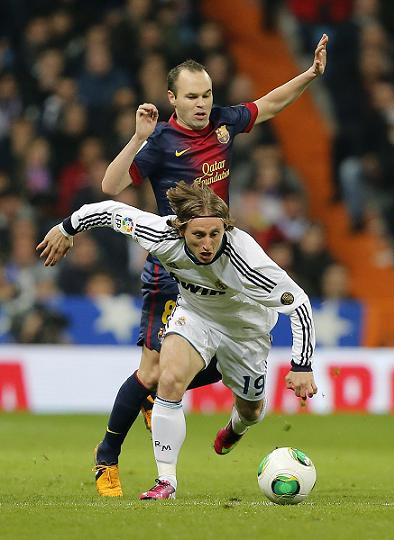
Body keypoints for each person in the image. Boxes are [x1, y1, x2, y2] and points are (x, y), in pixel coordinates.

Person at [64, 35, 327, 497]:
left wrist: (309, 75)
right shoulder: (161, 140)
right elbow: (110, 186)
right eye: (191, 97)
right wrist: (137, 139)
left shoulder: (223, 123)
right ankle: (108, 457)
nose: (203, 104)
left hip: (222, 263)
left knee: (231, 377)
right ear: (172, 99)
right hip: (175, 265)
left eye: (206, 95)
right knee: (152, 373)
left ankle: (192, 396)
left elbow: (268, 105)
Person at [37, 181, 317, 500]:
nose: (208, 243)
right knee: (167, 379)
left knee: (251, 411)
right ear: (181, 229)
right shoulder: (159, 233)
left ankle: (234, 430)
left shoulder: (246, 259)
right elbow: (109, 211)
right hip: (195, 317)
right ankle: (166, 482)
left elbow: (299, 303)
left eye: (215, 233)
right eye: (199, 235)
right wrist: (66, 228)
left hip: (245, 333)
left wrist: (302, 365)